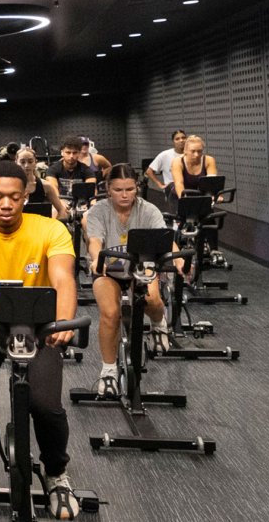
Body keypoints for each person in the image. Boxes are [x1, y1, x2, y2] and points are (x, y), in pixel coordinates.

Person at [0, 161, 82, 519]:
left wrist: (65, 321)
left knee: (47, 406)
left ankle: (56, 476)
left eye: (14, 197)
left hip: (40, 321)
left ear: (26, 196)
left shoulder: (50, 229)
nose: (6, 204)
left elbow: (64, 278)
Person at [82, 165, 183, 395]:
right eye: (118, 190)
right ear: (108, 189)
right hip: (110, 271)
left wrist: (178, 260)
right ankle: (108, 371)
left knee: (154, 302)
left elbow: (165, 238)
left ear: (136, 188)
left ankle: (159, 324)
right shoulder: (98, 211)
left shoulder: (148, 210)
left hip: (141, 267)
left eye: (130, 189)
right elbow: (95, 242)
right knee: (110, 314)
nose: (125, 195)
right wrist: (98, 259)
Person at [16, 148, 65, 220]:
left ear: (35, 162)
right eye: (22, 162)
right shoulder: (9, 186)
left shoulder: (46, 186)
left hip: (40, 227)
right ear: (16, 162)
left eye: (30, 161)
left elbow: (61, 210)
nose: (26, 165)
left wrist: (54, 226)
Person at [171, 134, 220, 199]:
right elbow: (179, 183)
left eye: (199, 151)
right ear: (185, 151)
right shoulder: (178, 162)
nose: (196, 155)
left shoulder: (209, 160)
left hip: (200, 195)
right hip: (179, 196)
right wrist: (183, 199)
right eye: (193, 151)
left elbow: (211, 182)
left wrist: (214, 195)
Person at [145, 130, 187, 195]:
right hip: (172, 190)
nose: (181, 140)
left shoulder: (191, 154)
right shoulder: (165, 155)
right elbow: (149, 171)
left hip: (188, 188)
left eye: (183, 138)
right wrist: (160, 184)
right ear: (173, 141)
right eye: (177, 139)